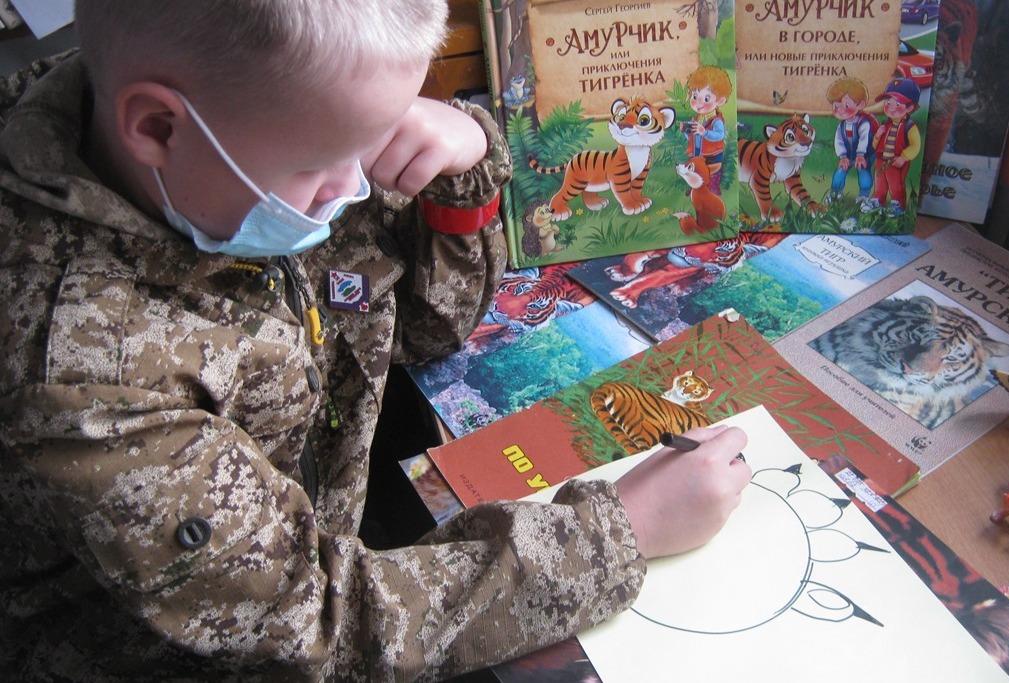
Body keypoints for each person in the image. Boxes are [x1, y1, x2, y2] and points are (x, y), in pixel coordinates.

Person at [0, 1, 751, 681]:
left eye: (373, 145)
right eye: (323, 165)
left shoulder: (260, 125)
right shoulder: (84, 378)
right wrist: (619, 534)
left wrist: (460, 168)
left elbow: (426, 327)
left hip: (332, 519)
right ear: (157, 127)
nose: (353, 188)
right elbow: (314, 628)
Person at [866, 77, 922, 216]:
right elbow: (875, 146)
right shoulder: (885, 125)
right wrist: (877, 136)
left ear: (910, 107)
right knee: (880, 181)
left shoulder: (910, 127)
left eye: (897, 104)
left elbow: (915, 145)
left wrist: (904, 157)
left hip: (897, 161)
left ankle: (898, 205)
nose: (891, 108)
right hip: (881, 160)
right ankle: (877, 200)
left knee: (895, 183)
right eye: (888, 103)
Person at [824, 77, 876, 207]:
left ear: (860, 105)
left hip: (865, 154)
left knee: (864, 172)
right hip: (848, 155)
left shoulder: (863, 123)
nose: (840, 109)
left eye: (846, 105)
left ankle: (864, 196)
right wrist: (843, 156)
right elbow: (839, 141)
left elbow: (864, 139)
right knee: (840, 171)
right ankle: (835, 194)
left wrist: (860, 155)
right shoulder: (841, 125)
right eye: (836, 106)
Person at [680, 65, 732, 195]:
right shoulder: (696, 119)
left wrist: (705, 132)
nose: (698, 103)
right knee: (696, 169)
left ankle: (713, 188)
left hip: (712, 154)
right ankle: (696, 188)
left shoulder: (716, 121)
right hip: (697, 153)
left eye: (706, 98)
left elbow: (720, 135)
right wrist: (686, 131)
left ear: (720, 101)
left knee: (711, 171)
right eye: (695, 96)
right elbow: (692, 137)